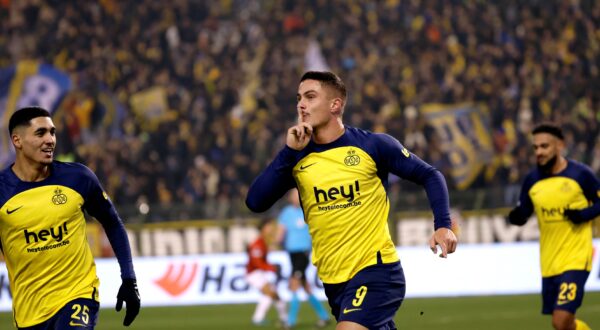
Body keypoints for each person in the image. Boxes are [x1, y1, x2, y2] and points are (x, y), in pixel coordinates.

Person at [246, 71, 457, 330]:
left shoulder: (373, 145)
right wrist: (289, 151)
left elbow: (430, 174)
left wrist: (443, 224)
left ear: (335, 105)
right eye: (299, 98)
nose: (301, 104)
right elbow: (255, 202)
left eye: (311, 97)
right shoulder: (297, 158)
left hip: (377, 270)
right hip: (334, 282)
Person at [0, 107, 140, 329]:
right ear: (17, 140)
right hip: (30, 311)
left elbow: (112, 222)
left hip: (78, 295)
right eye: (41, 133)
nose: (50, 140)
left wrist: (129, 279)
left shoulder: (78, 178)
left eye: (52, 132)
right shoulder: (2, 191)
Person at [507, 123, 596, 330]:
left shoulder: (580, 175)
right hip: (549, 261)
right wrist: (516, 217)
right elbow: (524, 211)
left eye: (544, 146)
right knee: (563, 325)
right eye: (536, 148)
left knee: (560, 319)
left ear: (560, 146)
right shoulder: (532, 180)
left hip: (576, 257)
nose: (539, 152)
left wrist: (582, 215)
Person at [277, 189, 330, 328]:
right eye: (294, 195)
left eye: (298, 195)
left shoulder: (308, 210)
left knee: (294, 283)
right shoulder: (286, 213)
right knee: (305, 287)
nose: (296, 198)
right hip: (292, 254)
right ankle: (324, 316)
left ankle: (291, 321)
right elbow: (281, 232)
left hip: (303, 253)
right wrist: (277, 241)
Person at [246, 218, 288, 328]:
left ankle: (282, 318)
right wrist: (271, 268)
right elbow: (256, 263)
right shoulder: (257, 243)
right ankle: (260, 318)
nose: (270, 228)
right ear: (263, 228)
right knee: (271, 294)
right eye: (268, 226)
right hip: (254, 274)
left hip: (259, 273)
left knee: (273, 295)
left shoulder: (264, 241)